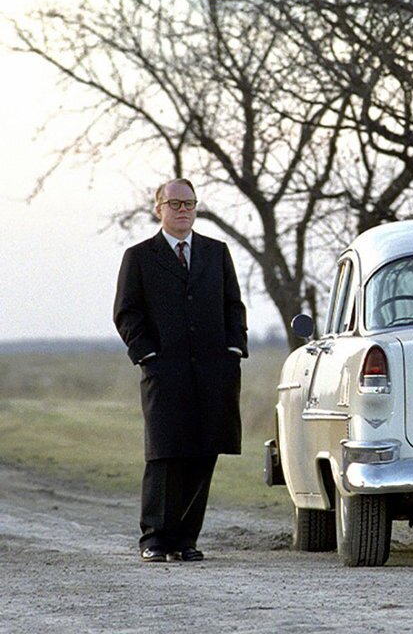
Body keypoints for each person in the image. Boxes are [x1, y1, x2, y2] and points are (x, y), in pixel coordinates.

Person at [113, 178, 248, 563]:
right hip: (164, 372)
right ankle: (155, 539)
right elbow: (126, 312)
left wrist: (234, 348)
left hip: (213, 372)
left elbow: (233, 305)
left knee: (204, 452)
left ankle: (186, 540)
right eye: (175, 204)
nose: (183, 210)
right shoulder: (140, 257)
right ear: (159, 209)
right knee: (165, 453)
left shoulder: (216, 252)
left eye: (189, 203)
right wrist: (147, 354)